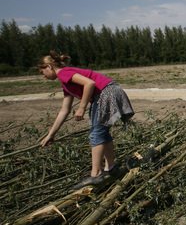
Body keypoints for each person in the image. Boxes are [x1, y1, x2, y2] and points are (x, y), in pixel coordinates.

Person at [38, 51, 134, 188]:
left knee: (96, 134)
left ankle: (96, 174)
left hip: (105, 93)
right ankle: (111, 168)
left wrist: (82, 107)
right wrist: (51, 135)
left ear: (49, 66)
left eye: (43, 73)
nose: (44, 77)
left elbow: (89, 83)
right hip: (110, 91)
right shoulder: (66, 83)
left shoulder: (63, 73)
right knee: (102, 132)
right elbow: (64, 110)